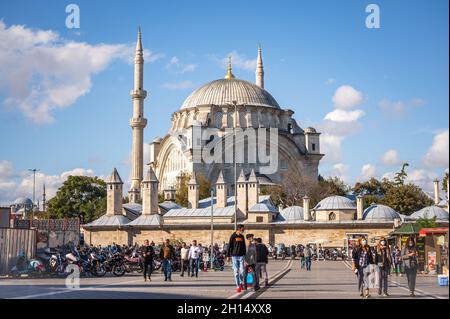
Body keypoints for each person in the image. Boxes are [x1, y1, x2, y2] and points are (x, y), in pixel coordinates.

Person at [227, 224, 247, 293]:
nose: (243, 230)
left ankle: (241, 282)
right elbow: (229, 245)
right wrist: (228, 256)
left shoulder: (242, 236)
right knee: (236, 272)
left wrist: (245, 256)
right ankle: (238, 286)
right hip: (234, 256)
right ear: (239, 229)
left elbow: (244, 246)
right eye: (242, 229)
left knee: (242, 271)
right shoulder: (233, 236)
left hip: (241, 256)